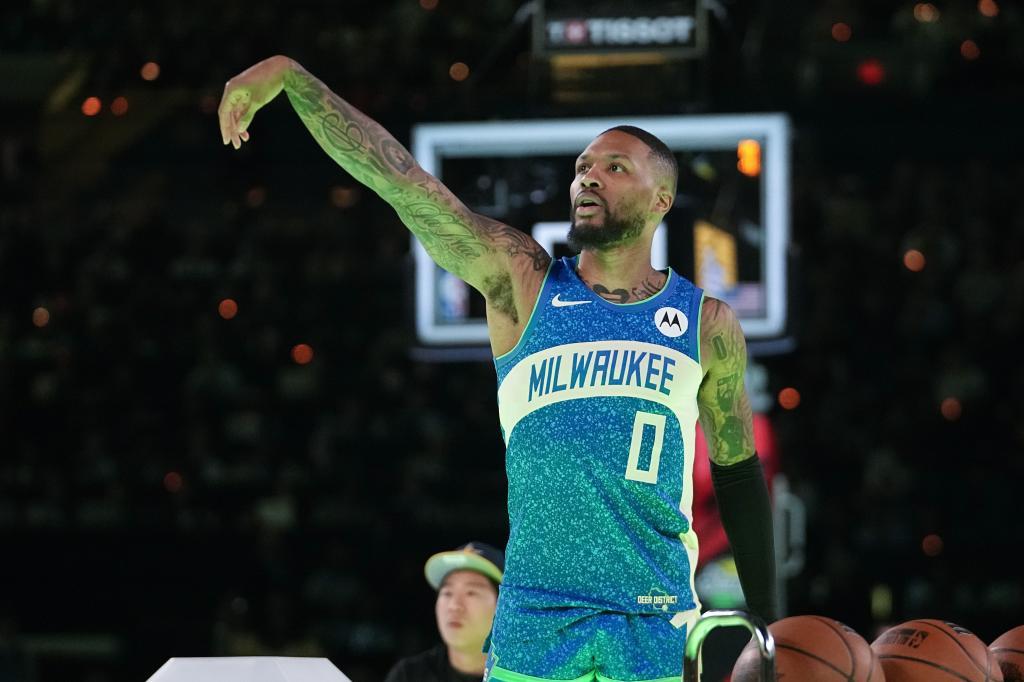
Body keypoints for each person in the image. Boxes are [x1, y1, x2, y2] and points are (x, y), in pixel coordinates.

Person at [218, 55, 778, 682]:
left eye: (614, 167)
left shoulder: (706, 324)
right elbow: (407, 186)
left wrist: (770, 621)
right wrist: (296, 79)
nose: (588, 179)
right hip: (535, 622)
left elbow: (737, 471)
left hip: (653, 620)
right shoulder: (524, 283)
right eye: (582, 168)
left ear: (662, 199)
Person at [384, 542, 505, 682]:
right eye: (447, 593)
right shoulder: (409, 675)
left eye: (471, 593)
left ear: (503, 606)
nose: (454, 605)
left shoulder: (523, 675)